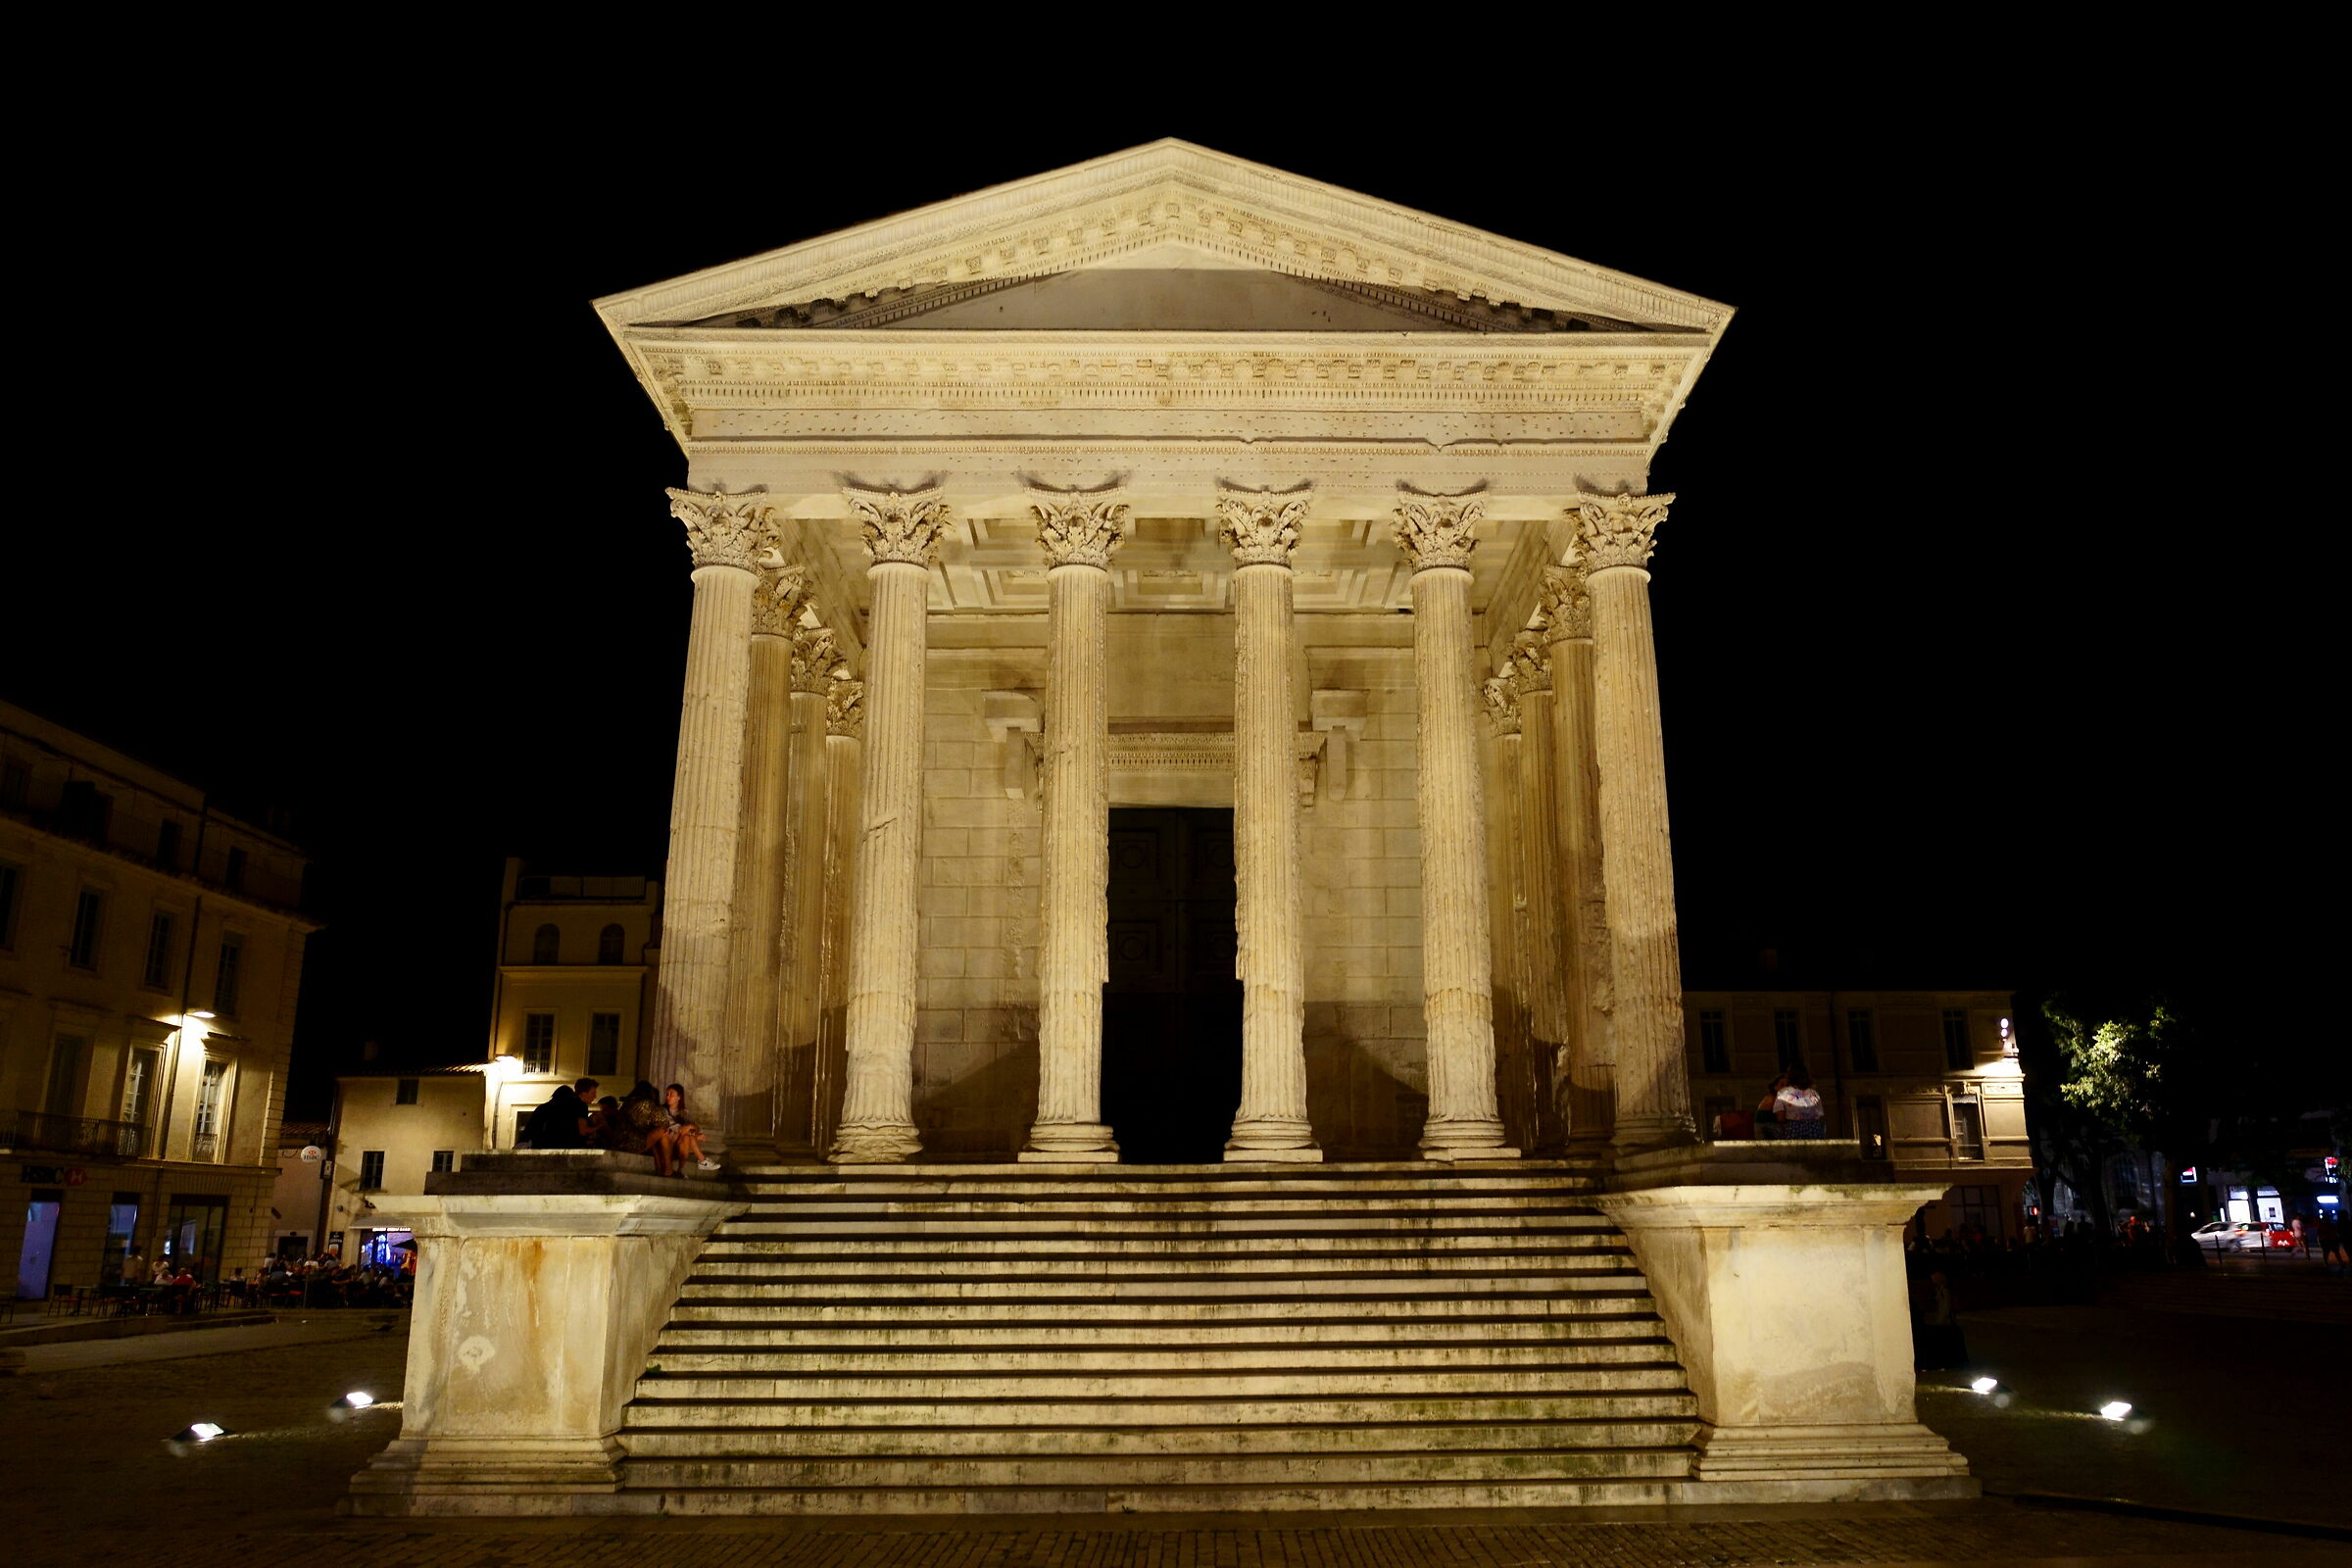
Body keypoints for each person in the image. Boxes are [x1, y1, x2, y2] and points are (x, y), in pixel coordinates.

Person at [649, 1082, 717, 1176]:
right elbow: (675, 1127)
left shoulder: (684, 1112)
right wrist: (693, 1131)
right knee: (687, 1132)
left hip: (680, 1143)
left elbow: (697, 1128)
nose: (668, 1097)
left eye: (671, 1094)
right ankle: (702, 1160)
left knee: (687, 1137)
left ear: (679, 1097)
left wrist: (692, 1130)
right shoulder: (663, 1110)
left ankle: (682, 1169)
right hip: (667, 1142)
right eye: (667, 1094)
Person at [519, 1081, 593, 1149]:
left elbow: (531, 1127)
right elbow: (581, 1131)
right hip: (567, 1146)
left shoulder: (543, 1108)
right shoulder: (576, 1107)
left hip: (542, 1145)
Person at [1773, 1067, 1826, 1138]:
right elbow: (1819, 1114)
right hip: (1815, 1129)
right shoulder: (1814, 1093)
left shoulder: (1783, 1093)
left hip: (1794, 1129)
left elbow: (1780, 1118)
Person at [1754, 1073, 1789, 1138]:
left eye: (1787, 1086)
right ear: (1775, 1087)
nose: (1785, 1088)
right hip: (1764, 1132)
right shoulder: (1773, 1099)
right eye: (1782, 1085)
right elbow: (1781, 1119)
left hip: (1768, 1129)